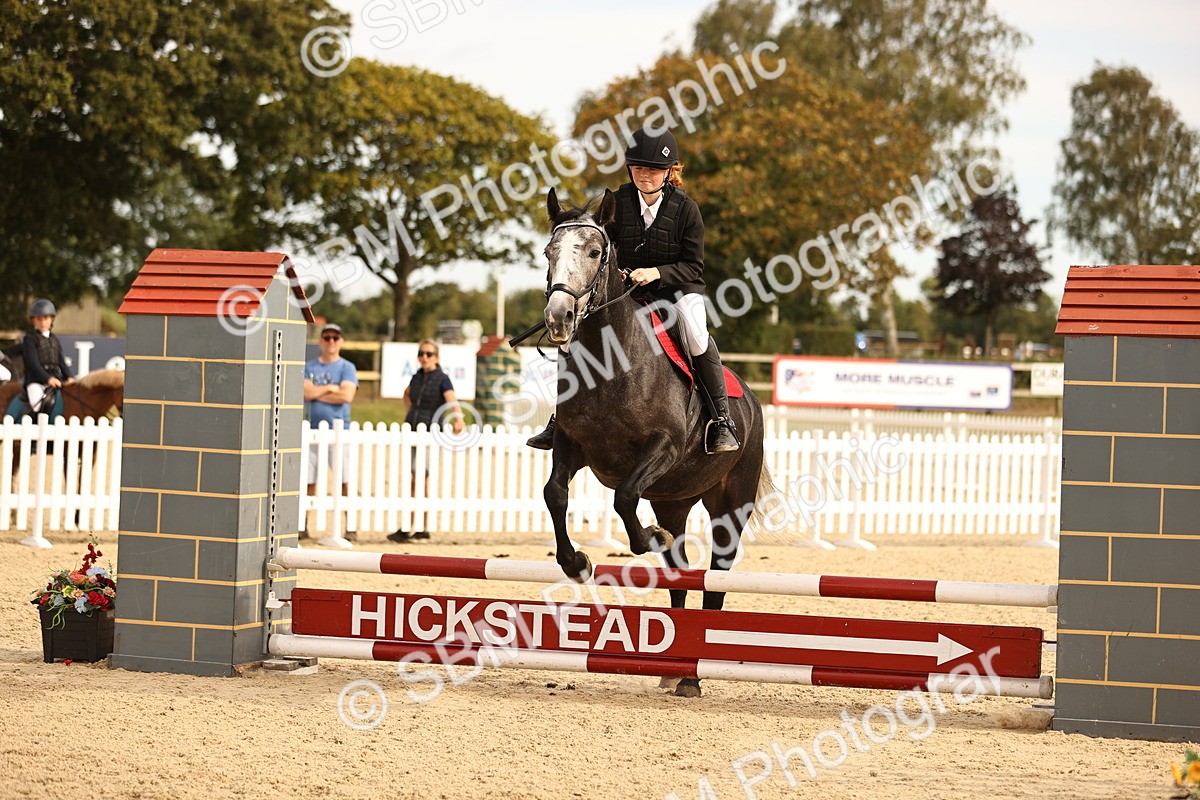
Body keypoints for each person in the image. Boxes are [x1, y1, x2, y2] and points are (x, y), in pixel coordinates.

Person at [527, 126, 739, 454]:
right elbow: (599, 247)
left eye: (654, 170)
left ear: (670, 172)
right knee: (574, 335)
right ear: (630, 168)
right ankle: (560, 419)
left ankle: (722, 421)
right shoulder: (617, 202)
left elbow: (694, 267)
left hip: (677, 291)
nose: (646, 176)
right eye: (639, 168)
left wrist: (655, 272)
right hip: (625, 291)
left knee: (696, 333)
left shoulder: (686, 210)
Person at [388, 339, 463, 543]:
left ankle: (422, 526)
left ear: (436, 357)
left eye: (429, 354)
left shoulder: (442, 379)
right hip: (413, 430)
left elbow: (451, 399)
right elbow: (406, 394)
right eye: (421, 353)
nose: (424, 357)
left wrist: (458, 418)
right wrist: (411, 412)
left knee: (423, 479)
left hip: (429, 433)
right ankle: (413, 525)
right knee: (414, 478)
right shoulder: (417, 377)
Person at [303, 323, 358, 541]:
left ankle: (350, 527)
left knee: (344, 479)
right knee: (308, 480)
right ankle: (303, 524)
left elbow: (346, 396)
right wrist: (330, 388)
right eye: (327, 337)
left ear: (341, 341)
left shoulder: (347, 367)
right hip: (313, 430)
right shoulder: (310, 366)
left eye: (335, 337)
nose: (331, 341)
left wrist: (316, 393)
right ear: (321, 340)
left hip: (340, 430)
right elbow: (304, 392)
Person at [22, 298, 75, 415]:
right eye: (39, 319)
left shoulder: (54, 339)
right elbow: (33, 364)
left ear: (52, 319)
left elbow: (61, 361)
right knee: (37, 404)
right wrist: (48, 379)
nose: (42, 322)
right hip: (36, 381)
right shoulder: (29, 338)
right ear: (33, 320)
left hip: (56, 379)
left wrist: (70, 377)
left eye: (45, 318)